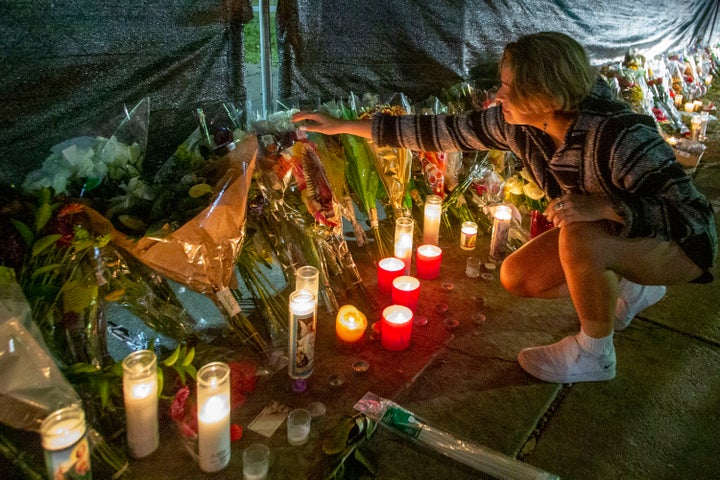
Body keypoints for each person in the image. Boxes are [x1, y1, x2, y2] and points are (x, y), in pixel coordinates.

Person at [292, 32, 718, 383]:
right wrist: (344, 126)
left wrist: (605, 206)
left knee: (582, 236)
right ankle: (631, 283)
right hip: (619, 237)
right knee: (518, 276)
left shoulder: (619, 136)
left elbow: (697, 220)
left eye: (510, 87)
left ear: (546, 94)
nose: (498, 94)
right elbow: (439, 131)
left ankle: (595, 354)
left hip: (681, 250)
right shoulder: (521, 127)